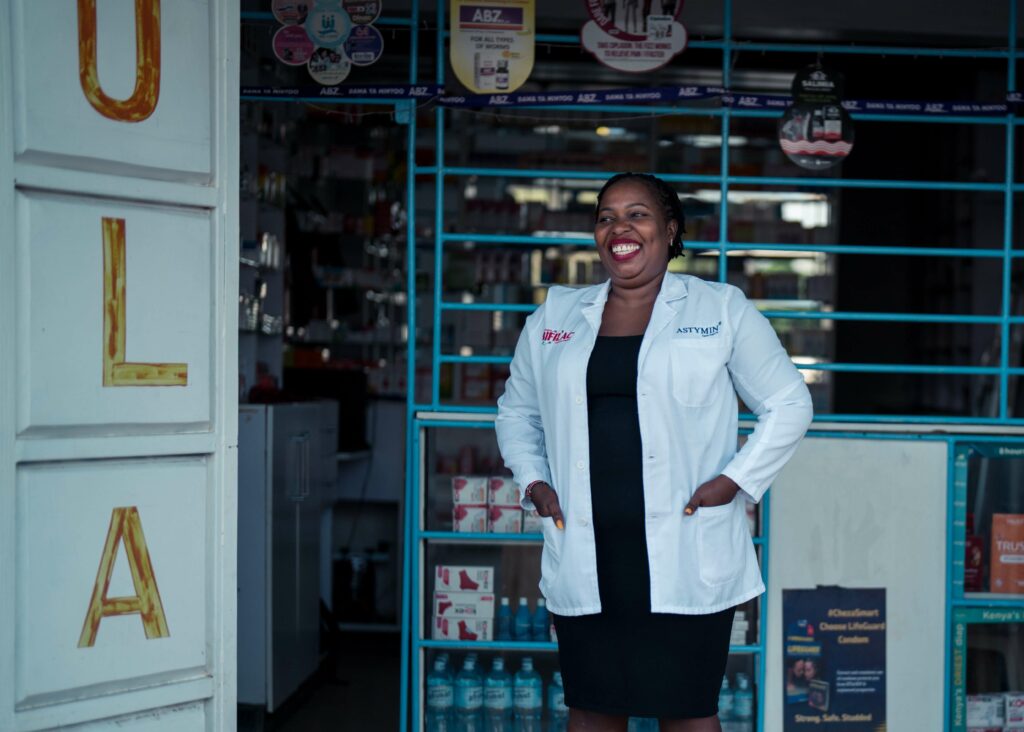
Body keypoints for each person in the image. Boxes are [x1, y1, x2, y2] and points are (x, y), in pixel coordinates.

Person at [495, 172, 813, 731]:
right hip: (590, 550)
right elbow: (516, 412)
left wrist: (734, 482)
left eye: (637, 214)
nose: (620, 227)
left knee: (687, 712)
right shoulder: (555, 316)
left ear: (669, 230)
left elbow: (789, 403)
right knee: (592, 709)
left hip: (684, 548)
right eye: (606, 216)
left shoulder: (721, 309)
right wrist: (533, 481)